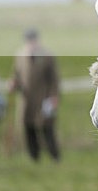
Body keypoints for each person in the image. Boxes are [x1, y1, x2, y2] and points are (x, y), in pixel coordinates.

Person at [9, 28, 61, 161]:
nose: (32, 43)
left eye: (33, 40)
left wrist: (54, 96)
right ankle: (34, 156)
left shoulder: (47, 56)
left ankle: (54, 156)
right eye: (29, 40)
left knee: (46, 127)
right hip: (27, 99)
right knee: (28, 127)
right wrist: (14, 83)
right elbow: (16, 74)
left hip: (44, 98)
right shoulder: (20, 56)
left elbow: (54, 79)